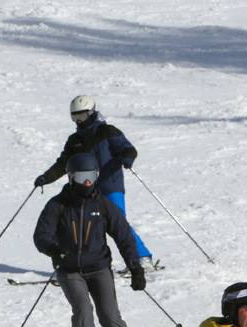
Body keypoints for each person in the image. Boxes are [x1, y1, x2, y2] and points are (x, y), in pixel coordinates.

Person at [33, 152, 148, 327]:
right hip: (70, 271)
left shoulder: (104, 204)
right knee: (83, 310)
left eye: (92, 176)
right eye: (83, 177)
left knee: (111, 315)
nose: (88, 183)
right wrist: (55, 249)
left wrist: (135, 267)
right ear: (72, 177)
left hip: (99, 269)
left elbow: (124, 236)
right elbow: (41, 236)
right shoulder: (58, 204)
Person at [34, 95, 156, 272]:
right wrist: (46, 178)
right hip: (87, 189)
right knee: (85, 225)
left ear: (91, 113)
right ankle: (80, 264)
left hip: (111, 186)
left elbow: (128, 148)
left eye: (81, 116)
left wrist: (128, 158)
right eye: (74, 117)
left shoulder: (107, 132)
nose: (78, 121)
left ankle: (142, 258)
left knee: (118, 222)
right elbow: (63, 164)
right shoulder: (74, 141)